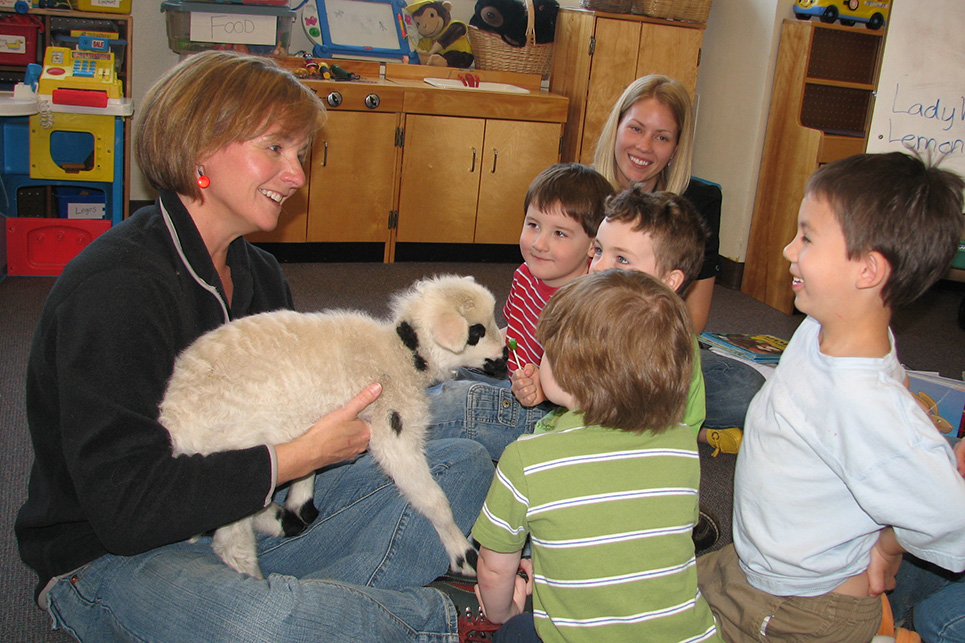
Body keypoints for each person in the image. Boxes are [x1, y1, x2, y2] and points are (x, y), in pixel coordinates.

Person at [14, 51, 494, 642]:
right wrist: (295, 458)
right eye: (275, 148)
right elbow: (125, 509)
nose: (296, 175)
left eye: (300, 154)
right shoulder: (113, 290)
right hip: (114, 552)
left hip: (250, 512)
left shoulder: (261, 273)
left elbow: (304, 432)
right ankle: (440, 619)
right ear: (198, 149)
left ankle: (331, 609)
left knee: (461, 464)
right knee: (255, 623)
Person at [696, 151, 965, 641]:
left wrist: (887, 548)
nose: (787, 249)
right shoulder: (824, 326)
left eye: (807, 236)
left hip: (802, 610)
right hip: (756, 562)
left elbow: (949, 516)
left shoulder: (866, 402)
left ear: (867, 270)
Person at [471, 269, 721, 642]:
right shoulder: (682, 443)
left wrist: (505, 613)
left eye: (549, 352)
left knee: (515, 633)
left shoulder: (527, 460)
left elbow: (493, 571)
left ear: (571, 373)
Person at [593, 74, 764, 433]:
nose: (644, 147)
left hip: (653, 348)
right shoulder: (583, 189)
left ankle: (636, 414)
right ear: (617, 127)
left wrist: (639, 354)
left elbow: (694, 316)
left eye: (662, 137)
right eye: (636, 129)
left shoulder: (697, 204)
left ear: (676, 147)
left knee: (746, 390)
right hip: (584, 341)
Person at [515, 187, 734, 453]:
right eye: (598, 251)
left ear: (669, 281)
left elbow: (665, 436)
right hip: (559, 430)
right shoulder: (595, 312)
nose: (598, 266)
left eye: (621, 259)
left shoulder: (667, 348)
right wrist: (544, 385)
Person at [502, 163, 614, 374]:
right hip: (510, 379)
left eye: (559, 233)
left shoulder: (588, 304)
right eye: (533, 225)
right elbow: (511, 332)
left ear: (593, 245)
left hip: (549, 403)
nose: (538, 244)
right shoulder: (524, 274)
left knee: (453, 395)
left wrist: (540, 390)